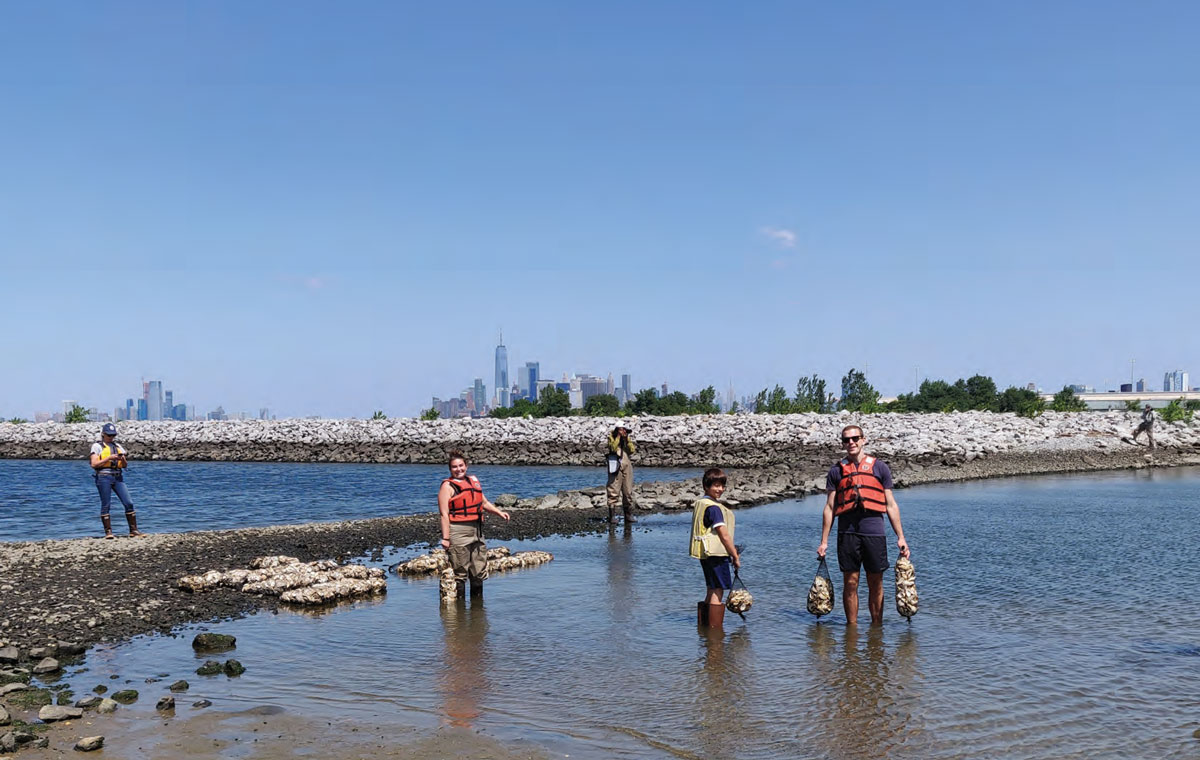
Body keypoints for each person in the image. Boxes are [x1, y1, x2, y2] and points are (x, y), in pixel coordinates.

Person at [817, 425, 909, 626]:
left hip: (874, 533)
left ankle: (877, 628)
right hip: (847, 533)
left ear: (863, 440)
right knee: (850, 583)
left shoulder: (880, 468)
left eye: (855, 438)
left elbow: (891, 505)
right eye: (846, 440)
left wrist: (901, 537)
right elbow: (829, 507)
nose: (851, 442)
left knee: (876, 583)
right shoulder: (836, 471)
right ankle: (852, 630)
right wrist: (824, 542)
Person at [437, 450, 510, 599]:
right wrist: (445, 538)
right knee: (460, 572)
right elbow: (444, 514)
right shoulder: (447, 487)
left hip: (476, 531)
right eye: (454, 467)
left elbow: (484, 502)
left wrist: (499, 513)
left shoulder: (473, 482)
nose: (459, 469)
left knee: (478, 570)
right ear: (450, 469)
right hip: (458, 532)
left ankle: (478, 612)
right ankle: (460, 614)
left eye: (461, 466)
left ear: (466, 466)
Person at [688, 467, 741, 628]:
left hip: (705, 554)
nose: (720, 489)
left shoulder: (702, 503)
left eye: (722, 486)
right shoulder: (714, 508)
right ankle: (715, 634)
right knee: (718, 590)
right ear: (706, 486)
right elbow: (724, 535)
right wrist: (735, 556)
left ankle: (704, 631)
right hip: (716, 555)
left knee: (711, 589)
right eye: (716, 486)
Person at [89, 423, 143, 539]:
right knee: (106, 504)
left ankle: (133, 530)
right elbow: (94, 464)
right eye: (109, 435)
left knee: (128, 502)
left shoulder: (117, 446)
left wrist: (122, 459)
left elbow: (124, 465)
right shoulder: (97, 447)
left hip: (117, 477)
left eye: (113, 435)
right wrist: (109, 458)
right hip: (103, 477)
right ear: (103, 434)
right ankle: (108, 532)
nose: (111, 438)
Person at [606, 422, 637, 524]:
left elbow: (632, 450)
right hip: (615, 463)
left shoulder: (626, 439)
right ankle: (612, 516)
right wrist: (618, 437)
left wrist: (627, 439)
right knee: (613, 489)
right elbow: (613, 448)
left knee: (628, 490)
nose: (624, 432)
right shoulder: (611, 437)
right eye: (622, 430)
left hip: (626, 463)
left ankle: (628, 514)